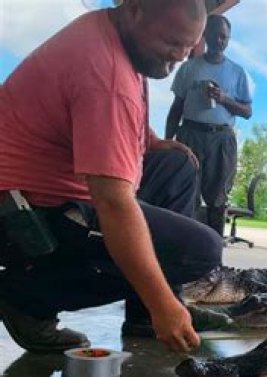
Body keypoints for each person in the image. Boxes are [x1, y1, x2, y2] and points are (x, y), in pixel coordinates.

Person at [0, 0, 229, 354]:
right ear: (135, 10)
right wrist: (161, 304)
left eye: (188, 47)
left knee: (177, 165)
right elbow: (113, 202)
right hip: (27, 214)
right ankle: (26, 299)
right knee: (200, 251)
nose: (182, 56)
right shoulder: (104, 75)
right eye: (173, 42)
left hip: (64, 181)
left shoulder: (117, 36)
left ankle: (144, 313)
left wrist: (150, 140)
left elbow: (111, 116)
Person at [165, 14, 252, 237]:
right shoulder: (189, 68)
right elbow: (176, 108)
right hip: (190, 135)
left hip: (221, 139)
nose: (220, 40)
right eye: (215, 35)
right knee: (186, 193)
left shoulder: (237, 72)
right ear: (205, 35)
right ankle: (186, 246)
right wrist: (167, 142)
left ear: (229, 38)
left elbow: (247, 112)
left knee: (218, 199)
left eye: (225, 37)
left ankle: (214, 249)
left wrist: (224, 98)